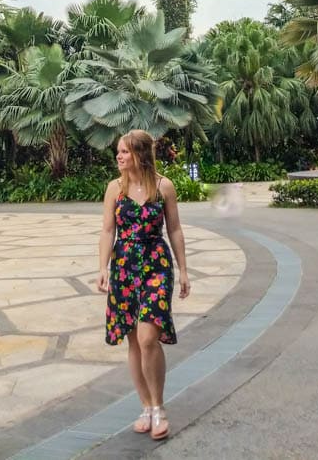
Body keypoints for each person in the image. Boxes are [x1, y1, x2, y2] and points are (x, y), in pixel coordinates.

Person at [98, 130, 190, 441]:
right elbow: (107, 230)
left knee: (149, 335)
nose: (119, 156)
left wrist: (184, 270)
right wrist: (102, 267)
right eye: (118, 152)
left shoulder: (164, 186)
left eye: (124, 152)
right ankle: (146, 407)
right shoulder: (115, 188)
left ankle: (159, 406)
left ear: (139, 154)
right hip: (124, 267)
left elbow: (175, 229)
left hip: (156, 264)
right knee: (133, 340)